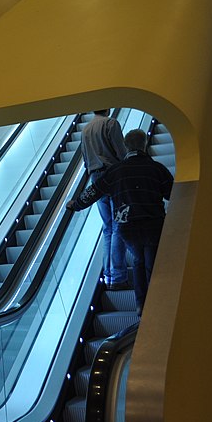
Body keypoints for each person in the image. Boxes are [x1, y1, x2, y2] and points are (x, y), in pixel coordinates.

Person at [67, 129, 174, 315]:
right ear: (145, 144)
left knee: (139, 260)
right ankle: (158, 304)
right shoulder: (157, 169)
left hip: (127, 228)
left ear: (125, 146)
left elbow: (94, 192)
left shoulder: (115, 171)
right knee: (153, 263)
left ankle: (141, 304)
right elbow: (172, 193)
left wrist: (75, 205)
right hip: (153, 224)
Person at [80, 109, 129, 290]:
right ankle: (118, 276)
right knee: (118, 225)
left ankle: (108, 276)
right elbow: (122, 153)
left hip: (96, 178)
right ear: (107, 108)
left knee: (107, 227)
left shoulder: (85, 130)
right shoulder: (111, 123)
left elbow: (85, 160)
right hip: (114, 175)